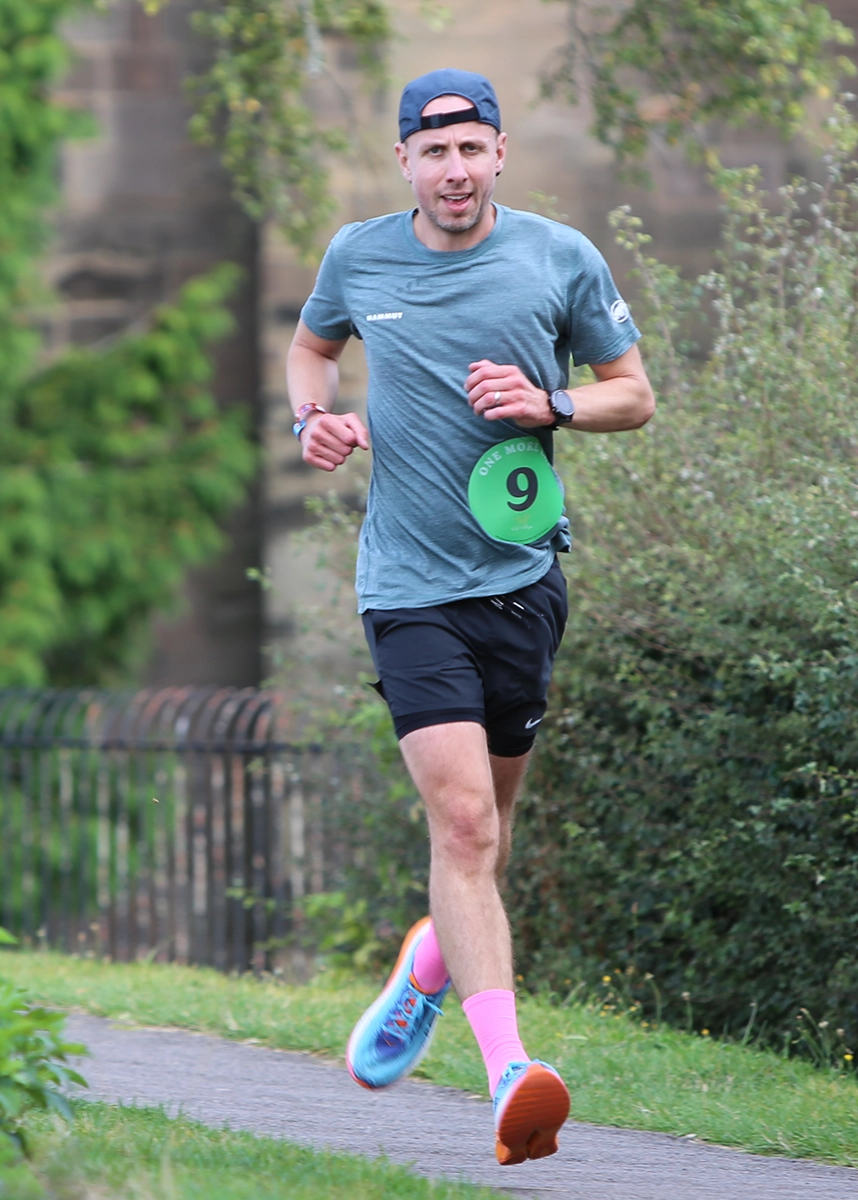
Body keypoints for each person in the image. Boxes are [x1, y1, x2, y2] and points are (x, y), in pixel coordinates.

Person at [286, 67, 655, 1166]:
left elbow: (633, 392)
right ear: (405, 160)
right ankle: (510, 1073)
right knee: (463, 831)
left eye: (471, 149)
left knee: (486, 837)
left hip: (523, 583)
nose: (453, 170)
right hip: (407, 589)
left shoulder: (558, 257)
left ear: (499, 156)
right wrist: (312, 419)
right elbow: (313, 347)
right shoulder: (358, 256)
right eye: (432, 151)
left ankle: (429, 965)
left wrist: (551, 403)